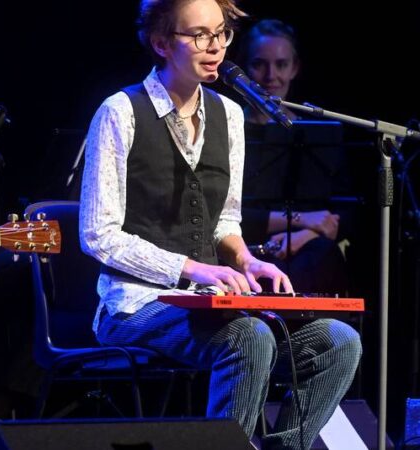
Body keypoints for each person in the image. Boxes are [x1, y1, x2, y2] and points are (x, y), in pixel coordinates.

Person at [79, 0, 361, 448]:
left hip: (209, 304)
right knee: (248, 336)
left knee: (339, 342)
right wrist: (196, 269)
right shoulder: (120, 112)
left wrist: (247, 261)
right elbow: (99, 235)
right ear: (160, 43)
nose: (215, 48)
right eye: (198, 36)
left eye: (222, 34)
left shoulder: (229, 116)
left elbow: (224, 219)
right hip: (133, 306)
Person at [237, 19, 349, 294]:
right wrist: (304, 219)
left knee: (322, 257)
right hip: (247, 251)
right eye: (259, 64)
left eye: (281, 64)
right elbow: (228, 215)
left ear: (295, 68)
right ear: (245, 68)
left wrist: (303, 234)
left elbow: (347, 211)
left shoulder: (315, 134)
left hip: (309, 249)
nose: (270, 76)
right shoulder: (230, 128)